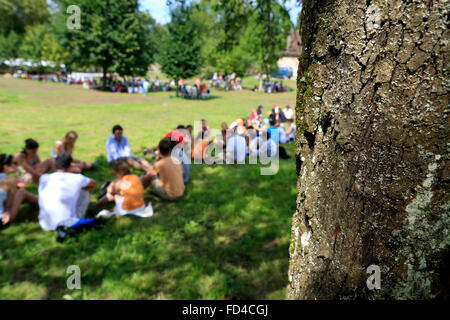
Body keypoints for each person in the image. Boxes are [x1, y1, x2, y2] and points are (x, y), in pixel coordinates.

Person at [37, 153, 97, 231]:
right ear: (71, 165)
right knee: (86, 189)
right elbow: (93, 183)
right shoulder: (78, 178)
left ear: (54, 165)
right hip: (69, 223)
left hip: (45, 224)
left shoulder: (44, 178)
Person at [0, 154, 38, 226]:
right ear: (6, 167)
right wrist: (20, 167)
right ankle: (43, 202)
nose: (16, 165)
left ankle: (36, 201)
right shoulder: (10, 180)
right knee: (21, 193)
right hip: (3, 219)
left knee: (17, 194)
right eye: (14, 164)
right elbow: (27, 180)